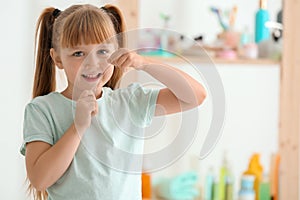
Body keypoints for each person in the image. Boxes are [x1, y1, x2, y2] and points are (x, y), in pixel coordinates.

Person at [20, 4, 206, 200]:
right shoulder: (42, 110)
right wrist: (78, 127)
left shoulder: (130, 102)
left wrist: (143, 63)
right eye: (78, 53)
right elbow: (40, 180)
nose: (92, 63)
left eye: (102, 51)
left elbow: (196, 96)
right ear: (57, 58)